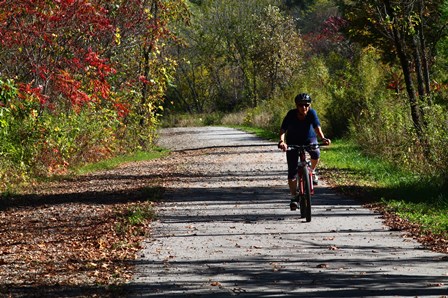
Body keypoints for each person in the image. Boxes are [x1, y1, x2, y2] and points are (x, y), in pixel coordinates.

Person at [278, 93, 331, 210]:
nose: (304, 108)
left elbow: (317, 127)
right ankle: (293, 196)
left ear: (310, 105)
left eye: (306, 105)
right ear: (296, 106)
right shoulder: (291, 114)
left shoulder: (312, 113)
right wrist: (282, 142)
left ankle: (312, 171)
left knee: (316, 152)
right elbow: (283, 130)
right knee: (292, 172)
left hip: (309, 139)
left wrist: (323, 138)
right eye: (301, 105)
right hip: (292, 141)